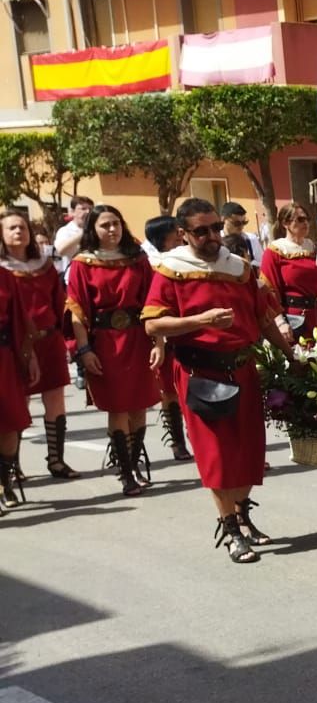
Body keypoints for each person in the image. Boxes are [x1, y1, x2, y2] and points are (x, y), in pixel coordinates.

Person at [143, 198, 295, 562]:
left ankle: (243, 515)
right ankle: (229, 528)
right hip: (200, 372)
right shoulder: (171, 269)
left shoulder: (239, 268)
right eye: (201, 230)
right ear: (183, 234)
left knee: (247, 453)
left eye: (214, 228)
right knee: (217, 456)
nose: (212, 236)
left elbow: (263, 319)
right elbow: (153, 323)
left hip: (242, 368)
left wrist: (292, 357)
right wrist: (201, 321)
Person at [66, 205, 160, 496]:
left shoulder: (138, 259)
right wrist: (84, 350)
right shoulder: (83, 263)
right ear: (93, 229)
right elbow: (77, 311)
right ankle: (126, 472)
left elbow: (154, 303)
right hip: (106, 342)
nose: (112, 230)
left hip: (139, 338)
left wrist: (159, 342)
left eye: (116, 224)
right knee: (118, 406)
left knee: (139, 404)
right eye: (105, 225)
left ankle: (134, 461)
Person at [0, 209, 77, 480]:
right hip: (17, 346)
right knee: (18, 405)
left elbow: (60, 301)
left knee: (55, 400)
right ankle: (13, 465)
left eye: (22, 227)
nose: (19, 232)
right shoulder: (2, 271)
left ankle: (56, 461)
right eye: (11, 228)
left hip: (49, 339)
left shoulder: (44, 265)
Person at [142, 215, 192, 463]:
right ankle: (177, 440)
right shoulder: (152, 265)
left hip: (188, 329)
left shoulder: (186, 260)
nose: (181, 234)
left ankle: (195, 434)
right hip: (164, 333)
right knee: (169, 392)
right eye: (176, 231)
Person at [0, 225, 42, 508]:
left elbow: (20, 320)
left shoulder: (5, 276)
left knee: (10, 422)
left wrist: (29, 356)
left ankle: (5, 481)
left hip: (4, 358)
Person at [259, 203, 317, 337]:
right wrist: (280, 321)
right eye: (300, 219)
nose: (305, 223)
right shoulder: (275, 252)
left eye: (307, 219)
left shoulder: (315, 248)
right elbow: (269, 290)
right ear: (285, 223)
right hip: (295, 320)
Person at [50, 196, 93, 265]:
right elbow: (60, 250)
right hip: (73, 272)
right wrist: (83, 232)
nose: (88, 212)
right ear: (73, 212)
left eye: (90, 209)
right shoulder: (65, 231)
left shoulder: (95, 230)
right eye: (83, 209)